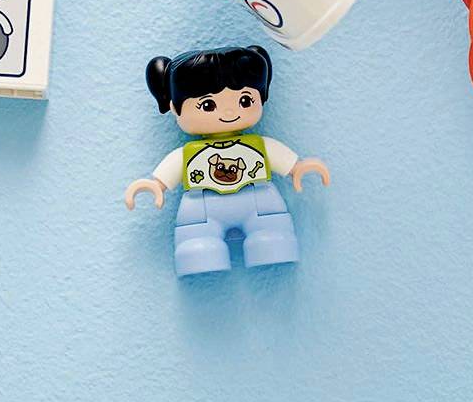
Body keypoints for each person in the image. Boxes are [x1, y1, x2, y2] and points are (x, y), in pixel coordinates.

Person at [125, 42, 334, 276]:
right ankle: (198, 250)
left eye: (244, 101)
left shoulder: (258, 145)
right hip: (202, 208)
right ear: (175, 107)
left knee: (272, 236)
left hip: (259, 201)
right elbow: (172, 168)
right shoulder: (188, 154)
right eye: (208, 105)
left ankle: (272, 241)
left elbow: (277, 155)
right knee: (197, 246)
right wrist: (156, 184)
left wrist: (297, 168)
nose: (228, 113)